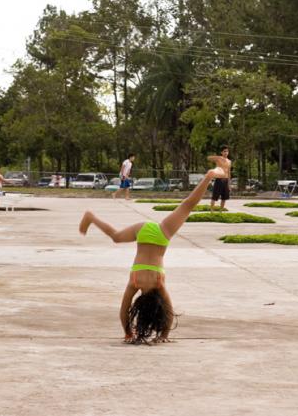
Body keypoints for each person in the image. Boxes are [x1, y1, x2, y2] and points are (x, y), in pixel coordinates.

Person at [79, 166, 227, 344]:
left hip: (161, 234)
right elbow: (124, 310)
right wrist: (132, 333)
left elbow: (168, 311)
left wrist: (162, 334)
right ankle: (91, 217)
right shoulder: (136, 282)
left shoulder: (159, 283)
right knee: (117, 237)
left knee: (188, 205)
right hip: (143, 232)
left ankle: (209, 176)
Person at [208, 146, 232, 212]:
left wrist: (229, 184)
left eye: (227, 151)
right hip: (219, 180)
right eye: (224, 151)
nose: (226, 153)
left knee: (224, 197)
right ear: (221, 152)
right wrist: (218, 157)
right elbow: (209, 158)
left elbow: (229, 172)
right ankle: (211, 210)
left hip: (226, 180)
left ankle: (221, 211)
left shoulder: (229, 161)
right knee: (214, 197)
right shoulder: (219, 159)